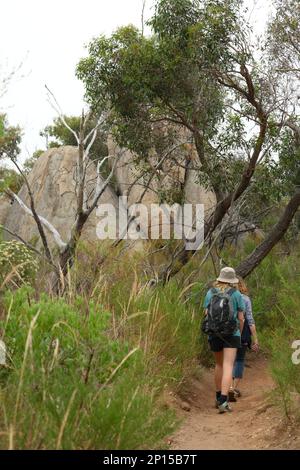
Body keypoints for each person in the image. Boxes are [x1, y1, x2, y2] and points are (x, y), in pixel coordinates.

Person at [203, 267, 245, 414]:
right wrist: (238, 332)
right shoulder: (237, 294)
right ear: (232, 280)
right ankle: (223, 401)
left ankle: (217, 396)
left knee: (219, 364)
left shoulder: (210, 293)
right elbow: (241, 318)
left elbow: (207, 313)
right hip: (231, 334)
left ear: (219, 278)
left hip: (214, 333)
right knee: (228, 366)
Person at [229, 278, 259, 401]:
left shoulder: (224, 296)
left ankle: (226, 388)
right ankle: (232, 387)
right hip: (241, 332)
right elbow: (250, 320)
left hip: (225, 333)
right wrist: (255, 339)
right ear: (242, 285)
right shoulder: (245, 299)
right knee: (240, 359)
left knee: (228, 360)